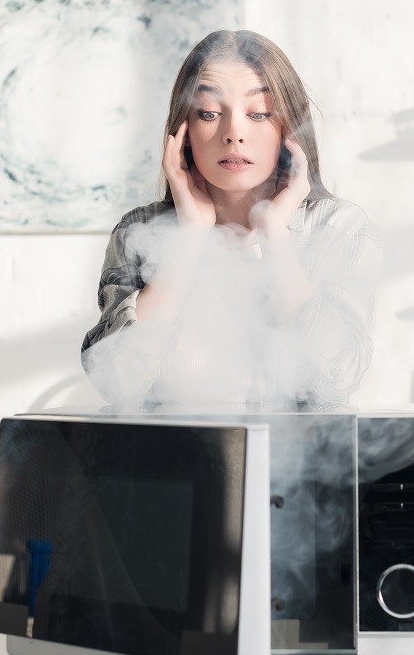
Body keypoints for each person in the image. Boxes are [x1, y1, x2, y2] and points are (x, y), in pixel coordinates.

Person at [81, 30, 380, 409]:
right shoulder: (138, 233)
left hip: (305, 466)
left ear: (288, 128)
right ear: (183, 133)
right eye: (209, 113)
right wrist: (189, 236)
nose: (234, 133)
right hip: (176, 463)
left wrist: (275, 236)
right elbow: (117, 384)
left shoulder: (339, 228)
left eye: (258, 114)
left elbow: (338, 379)